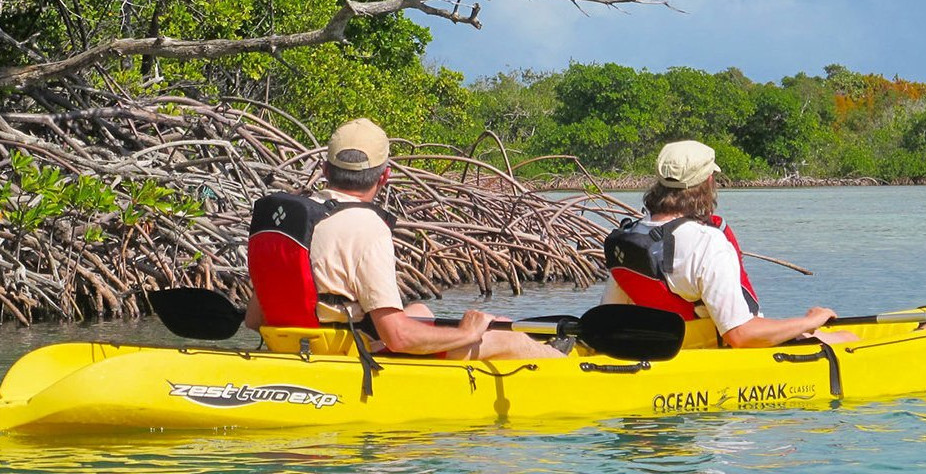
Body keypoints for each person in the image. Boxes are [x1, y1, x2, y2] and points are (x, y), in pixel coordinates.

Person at [246, 117, 564, 360]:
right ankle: (569, 367)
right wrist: (468, 333)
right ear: (385, 176)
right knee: (508, 335)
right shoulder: (366, 226)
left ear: (325, 169)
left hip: (295, 343)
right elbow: (397, 338)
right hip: (345, 354)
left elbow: (253, 319)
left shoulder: (293, 219)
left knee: (423, 312)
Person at [602, 140, 854, 348]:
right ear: (708, 182)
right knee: (848, 340)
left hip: (664, 349)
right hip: (716, 354)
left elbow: (609, 316)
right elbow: (741, 335)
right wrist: (810, 321)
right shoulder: (707, 242)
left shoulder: (629, 238)